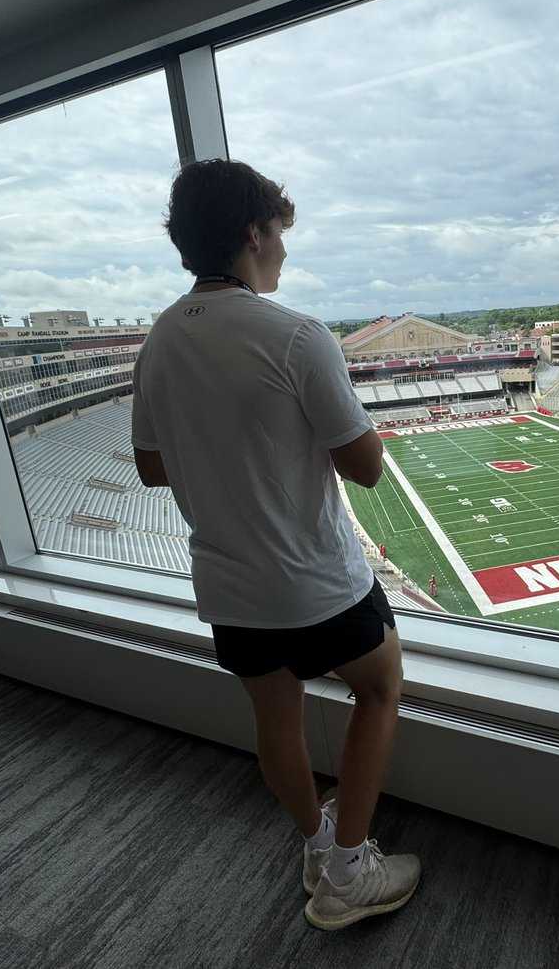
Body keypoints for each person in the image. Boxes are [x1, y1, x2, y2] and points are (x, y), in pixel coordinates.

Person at [131, 158, 419, 931]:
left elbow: (152, 469)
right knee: (382, 688)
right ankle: (350, 872)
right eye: (280, 235)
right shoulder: (295, 334)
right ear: (252, 234)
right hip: (314, 579)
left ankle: (316, 843)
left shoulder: (158, 340)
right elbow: (365, 470)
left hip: (229, 587)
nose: (285, 252)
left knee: (276, 721)